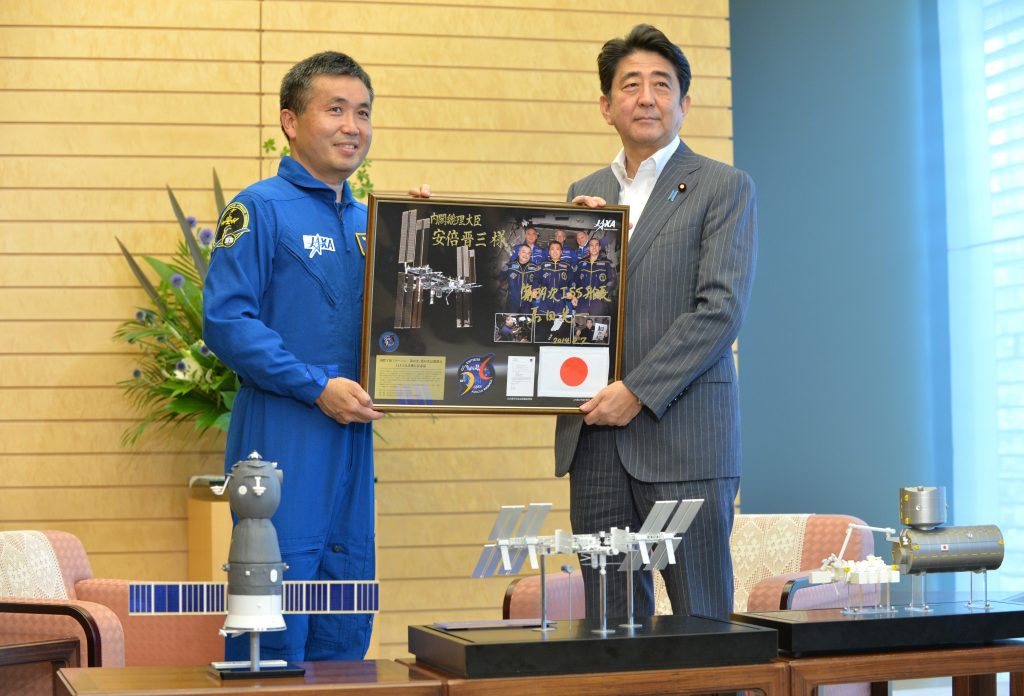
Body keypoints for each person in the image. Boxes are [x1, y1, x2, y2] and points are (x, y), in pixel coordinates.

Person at [554, 24, 758, 622]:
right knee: (611, 628)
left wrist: (637, 393)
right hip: (596, 446)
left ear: (684, 103)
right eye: (631, 85)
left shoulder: (724, 187)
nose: (647, 97)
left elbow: (720, 309)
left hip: (686, 441)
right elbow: (560, 312)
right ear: (605, 105)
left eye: (662, 85)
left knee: (703, 629)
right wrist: (568, 241)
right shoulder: (584, 194)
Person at [203, 51, 384, 663]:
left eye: (361, 112)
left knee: (347, 596)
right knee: (274, 608)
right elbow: (227, 322)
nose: (351, 126)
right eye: (334, 109)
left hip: (353, 434)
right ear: (290, 120)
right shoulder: (256, 209)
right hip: (282, 434)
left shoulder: (374, 222)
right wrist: (315, 386)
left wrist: (424, 231)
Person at [574, 237, 616, 315]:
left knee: (598, 325)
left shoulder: (607, 263)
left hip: (600, 302)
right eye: (591, 245)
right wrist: (574, 296)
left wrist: (603, 291)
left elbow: (613, 280)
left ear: (599, 248)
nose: (594, 247)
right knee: (580, 325)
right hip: (582, 302)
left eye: (596, 245)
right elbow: (574, 281)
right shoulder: (580, 263)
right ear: (588, 248)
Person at [503, 243, 540, 313]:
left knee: (526, 322)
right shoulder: (509, 265)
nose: (526, 255)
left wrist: (535, 289)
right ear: (519, 253)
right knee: (511, 322)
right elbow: (499, 278)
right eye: (523, 252)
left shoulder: (535, 267)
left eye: (528, 253)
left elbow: (538, 281)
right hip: (512, 303)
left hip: (527, 304)